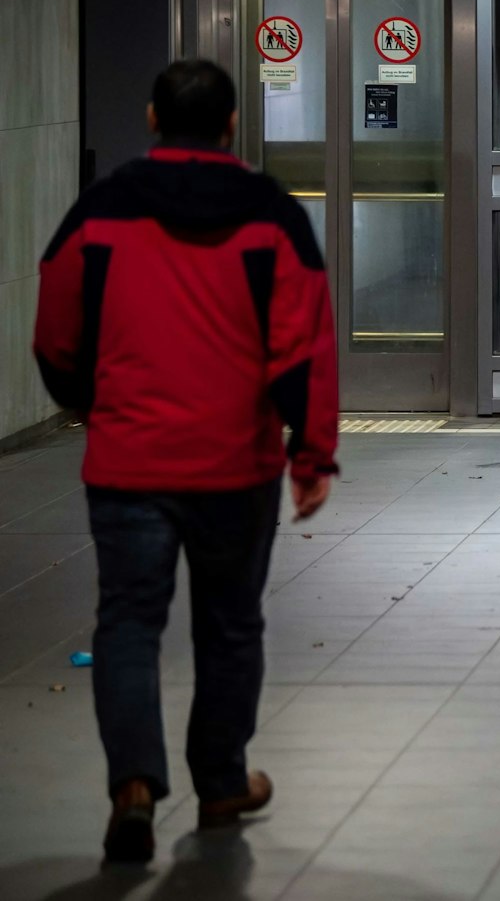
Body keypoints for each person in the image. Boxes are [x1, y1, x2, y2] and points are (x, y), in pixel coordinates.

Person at [34, 59, 339, 864]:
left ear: (149, 116)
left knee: (128, 623)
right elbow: (304, 337)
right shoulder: (269, 213)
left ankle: (133, 785)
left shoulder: (100, 210)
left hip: (129, 459)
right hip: (234, 466)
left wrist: (86, 395)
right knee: (230, 625)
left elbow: (55, 321)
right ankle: (220, 780)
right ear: (233, 123)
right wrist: (311, 451)